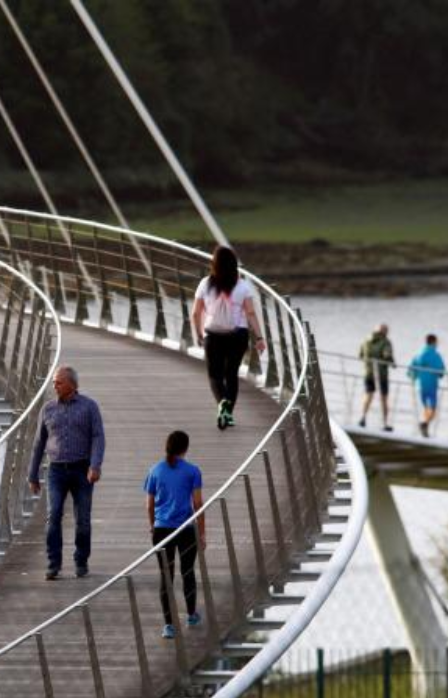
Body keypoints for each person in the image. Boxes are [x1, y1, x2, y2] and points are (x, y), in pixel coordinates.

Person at [28, 366, 106, 580]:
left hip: (83, 470)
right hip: (56, 470)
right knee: (53, 516)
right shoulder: (47, 409)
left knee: (83, 519)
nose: (54, 386)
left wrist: (95, 466)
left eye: (59, 382)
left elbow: (98, 437)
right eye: (54, 382)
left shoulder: (89, 407)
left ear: (72, 385)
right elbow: (38, 443)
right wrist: (32, 475)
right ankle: (54, 564)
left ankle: (81, 561)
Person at [190, 246, 267, 430]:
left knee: (215, 376)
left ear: (213, 264)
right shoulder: (243, 285)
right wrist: (259, 337)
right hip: (237, 335)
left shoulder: (205, 284)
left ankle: (222, 404)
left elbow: (195, 313)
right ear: (234, 264)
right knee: (231, 374)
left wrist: (200, 334)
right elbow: (250, 313)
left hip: (213, 336)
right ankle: (228, 414)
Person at [144, 430, 205, 639]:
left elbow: (149, 505)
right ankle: (191, 615)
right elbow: (197, 504)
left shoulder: (154, 471)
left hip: (162, 530)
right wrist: (203, 532)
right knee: (188, 572)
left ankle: (169, 625)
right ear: (185, 449)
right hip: (186, 529)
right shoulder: (193, 471)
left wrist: (153, 525)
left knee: (166, 576)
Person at [407, 334, 446, 437]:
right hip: (431, 386)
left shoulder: (418, 354)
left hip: (420, 386)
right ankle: (424, 424)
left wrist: (414, 377)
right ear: (433, 342)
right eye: (436, 342)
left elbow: (410, 371)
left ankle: (425, 430)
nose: (437, 344)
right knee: (432, 410)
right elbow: (441, 371)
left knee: (426, 408)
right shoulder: (435, 355)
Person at [358, 324, 395, 431]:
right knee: (384, 398)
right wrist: (392, 363)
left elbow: (360, 355)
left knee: (368, 395)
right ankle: (385, 423)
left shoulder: (366, 340)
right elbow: (387, 356)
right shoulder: (385, 341)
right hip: (381, 375)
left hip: (368, 373)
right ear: (384, 332)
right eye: (387, 331)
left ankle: (363, 418)